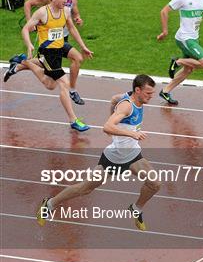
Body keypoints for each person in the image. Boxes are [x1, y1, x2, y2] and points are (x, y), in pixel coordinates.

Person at [36, 74, 161, 231]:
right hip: (113, 158)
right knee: (86, 188)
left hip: (133, 155)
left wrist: (113, 114)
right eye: (148, 93)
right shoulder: (127, 106)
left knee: (154, 183)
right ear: (137, 90)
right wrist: (132, 134)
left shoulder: (129, 97)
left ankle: (136, 209)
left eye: (152, 93)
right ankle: (49, 204)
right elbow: (107, 127)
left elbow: (114, 99)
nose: (151, 96)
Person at [4, 0, 93, 132]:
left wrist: (83, 46)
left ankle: (24, 62)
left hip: (60, 47)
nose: (66, 0)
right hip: (47, 52)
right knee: (63, 83)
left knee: (51, 85)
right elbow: (25, 29)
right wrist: (29, 45)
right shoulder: (42, 13)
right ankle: (73, 120)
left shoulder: (65, 11)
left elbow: (72, 29)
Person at [22, 0, 86, 104]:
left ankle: (72, 90)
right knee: (53, 80)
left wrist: (78, 18)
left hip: (63, 39)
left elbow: (75, 13)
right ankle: (22, 63)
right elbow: (28, 3)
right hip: (49, 43)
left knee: (75, 59)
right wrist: (31, 23)